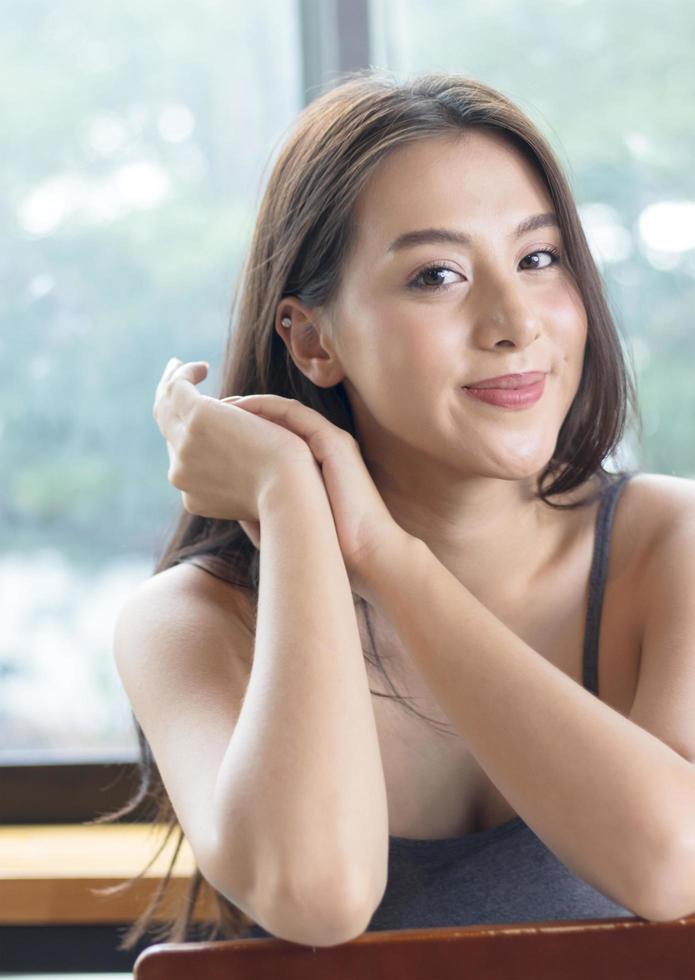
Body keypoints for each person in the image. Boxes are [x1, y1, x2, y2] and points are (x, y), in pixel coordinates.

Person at [102, 69, 695, 950]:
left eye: (538, 258)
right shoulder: (193, 622)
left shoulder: (670, 544)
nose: (513, 321)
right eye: (436, 275)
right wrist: (291, 503)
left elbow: (672, 863)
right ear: (311, 340)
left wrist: (384, 554)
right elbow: (317, 896)